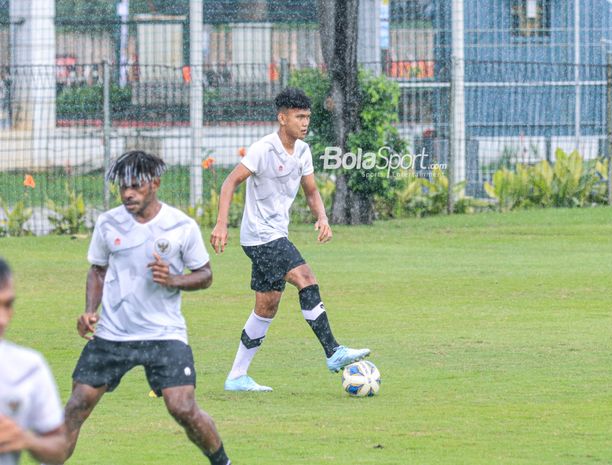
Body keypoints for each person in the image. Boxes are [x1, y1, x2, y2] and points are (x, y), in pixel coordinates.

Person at [61, 151, 232, 465]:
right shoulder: (107, 223)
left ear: (154, 183)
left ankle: (222, 462)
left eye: (135, 186)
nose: (127, 193)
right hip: (113, 334)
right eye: (122, 187)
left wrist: (174, 280)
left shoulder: (181, 226)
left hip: (164, 333)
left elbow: (205, 275)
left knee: (183, 408)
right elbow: (98, 269)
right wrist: (89, 310)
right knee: (76, 405)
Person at [210, 87, 370, 392]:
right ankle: (333, 351)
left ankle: (236, 377)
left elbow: (311, 191)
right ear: (282, 118)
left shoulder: (303, 151)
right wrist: (221, 224)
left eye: (307, 116)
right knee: (305, 277)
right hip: (261, 236)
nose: (305, 122)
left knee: (266, 306)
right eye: (299, 116)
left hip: (273, 235)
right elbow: (230, 182)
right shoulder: (263, 149)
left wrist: (321, 217)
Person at [0, 258, 68, 465]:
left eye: (8, 304)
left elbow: (58, 447)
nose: (3, 319)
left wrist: (27, 440)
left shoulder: (28, 367)